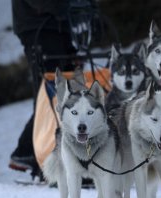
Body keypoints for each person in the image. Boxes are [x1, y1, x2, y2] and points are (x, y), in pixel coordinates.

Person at [9, 0, 97, 181]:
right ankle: (32, 152)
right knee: (50, 94)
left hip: (58, 28)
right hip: (38, 29)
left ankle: (30, 152)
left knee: (61, 93)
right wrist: (66, 6)